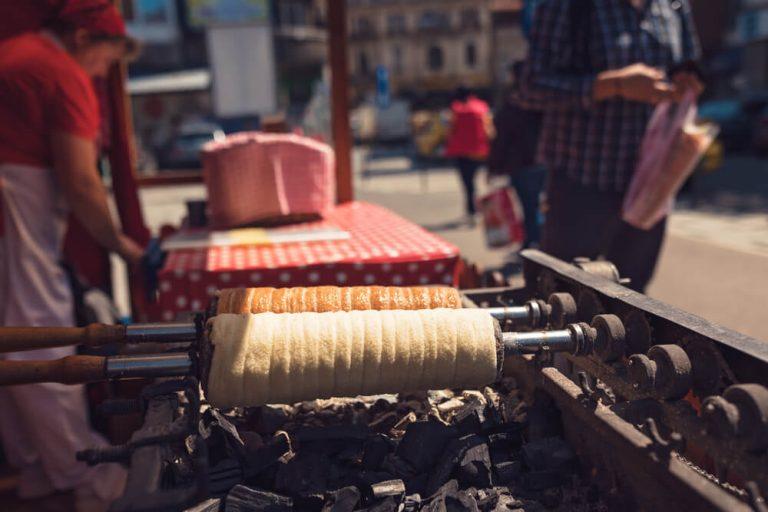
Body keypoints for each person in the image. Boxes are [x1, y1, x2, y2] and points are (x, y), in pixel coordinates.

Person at [0, 2, 143, 510]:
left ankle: (40, 468)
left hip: (13, 197)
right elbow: (82, 182)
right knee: (42, 338)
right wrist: (122, 247)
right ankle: (82, 474)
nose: (104, 73)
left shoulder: (18, 54)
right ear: (84, 37)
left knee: (8, 338)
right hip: (15, 200)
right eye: (106, 59)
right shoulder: (60, 74)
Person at [522, 0, 703, 292]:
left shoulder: (674, 6)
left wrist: (685, 82)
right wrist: (614, 84)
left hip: (651, 182)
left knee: (632, 299)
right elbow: (530, 87)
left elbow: (690, 66)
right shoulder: (567, 7)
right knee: (560, 293)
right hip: (582, 180)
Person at [488, 61, 546, 249]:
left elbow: (501, 140)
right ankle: (542, 241)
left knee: (530, 207)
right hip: (544, 160)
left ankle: (533, 243)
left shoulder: (512, 105)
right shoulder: (544, 101)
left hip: (522, 164)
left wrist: (494, 166)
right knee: (543, 205)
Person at [445, 86, 493, 224]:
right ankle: (486, 211)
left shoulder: (456, 109)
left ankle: (472, 212)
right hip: (480, 151)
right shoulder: (482, 108)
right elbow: (489, 130)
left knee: (468, 184)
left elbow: (450, 130)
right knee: (485, 182)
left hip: (462, 152)